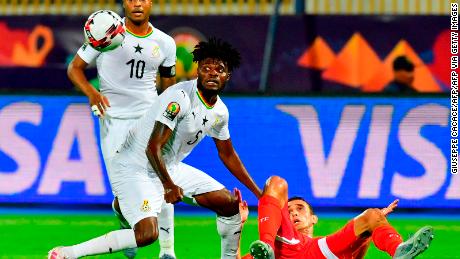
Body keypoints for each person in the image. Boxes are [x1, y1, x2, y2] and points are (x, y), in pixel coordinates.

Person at [49, 37, 262, 259]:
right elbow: (153, 146)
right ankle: (67, 253)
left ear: (227, 76)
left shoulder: (220, 112)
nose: (212, 73)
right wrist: (169, 185)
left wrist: (258, 193)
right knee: (147, 235)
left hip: (168, 165)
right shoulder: (180, 98)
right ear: (197, 70)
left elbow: (227, 154)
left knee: (229, 205)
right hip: (135, 165)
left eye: (219, 69)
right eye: (206, 68)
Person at [67, 1, 177, 258]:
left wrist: (170, 120)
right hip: (114, 122)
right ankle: (125, 216)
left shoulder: (165, 43)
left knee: (161, 179)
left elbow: (170, 90)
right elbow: (74, 68)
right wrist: (92, 93)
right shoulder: (107, 31)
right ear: (124, 3)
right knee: (124, 193)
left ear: (151, 2)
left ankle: (167, 251)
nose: (137, 3)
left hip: (149, 119)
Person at [248, 176, 434, 259]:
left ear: (314, 219)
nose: (294, 213)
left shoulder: (326, 247)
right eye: (288, 211)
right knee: (275, 182)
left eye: (300, 208)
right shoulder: (263, 252)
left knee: (371, 215)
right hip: (282, 250)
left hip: (316, 251)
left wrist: (372, 227)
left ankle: (398, 250)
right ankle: (269, 243)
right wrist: (232, 230)